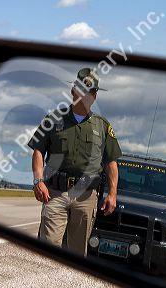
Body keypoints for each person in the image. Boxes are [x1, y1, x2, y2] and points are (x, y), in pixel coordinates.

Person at [27, 67, 122, 256]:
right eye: (82, 91)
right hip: (55, 193)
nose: (86, 96)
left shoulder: (102, 126)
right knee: (48, 249)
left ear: (95, 96)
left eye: (91, 93)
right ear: (73, 91)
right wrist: (38, 180)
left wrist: (112, 193)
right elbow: (38, 150)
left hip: (86, 197)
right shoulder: (53, 120)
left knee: (77, 254)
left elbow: (111, 163)